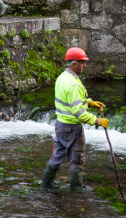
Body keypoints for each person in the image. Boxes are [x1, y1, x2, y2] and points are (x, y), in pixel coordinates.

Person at [41, 47, 109, 191]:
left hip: (61, 125)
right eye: (82, 62)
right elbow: (78, 112)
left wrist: (89, 103)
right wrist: (96, 121)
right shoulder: (73, 84)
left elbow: (71, 101)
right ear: (74, 64)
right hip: (72, 127)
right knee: (77, 160)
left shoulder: (62, 78)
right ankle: (77, 192)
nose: (85, 65)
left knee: (57, 156)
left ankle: (45, 186)